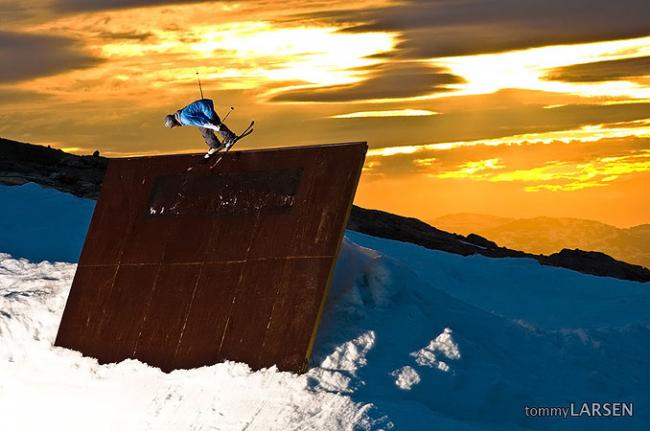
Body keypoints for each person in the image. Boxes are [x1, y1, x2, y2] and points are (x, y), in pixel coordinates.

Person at [164, 99, 238, 157]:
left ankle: (226, 140)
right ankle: (218, 143)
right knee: (208, 127)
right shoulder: (181, 115)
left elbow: (202, 122)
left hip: (206, 110)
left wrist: (214, 127)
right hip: (205, 108)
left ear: (174, 122)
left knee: (208, 129)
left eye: (174, 126)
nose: (176, 127)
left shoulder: (184, 119)